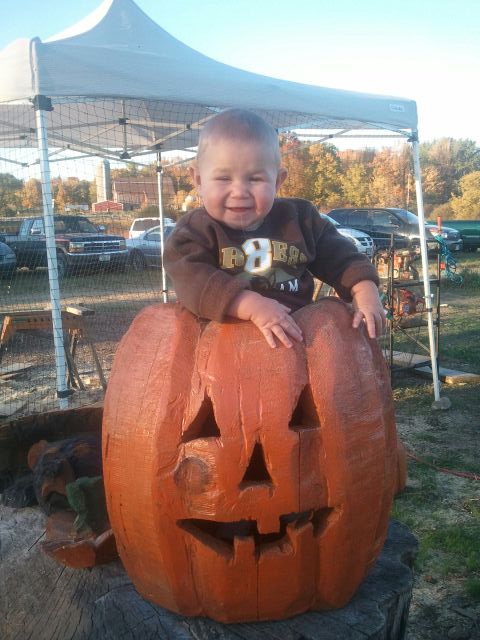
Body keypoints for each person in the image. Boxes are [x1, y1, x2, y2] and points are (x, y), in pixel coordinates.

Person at [164, 109, 385, 348]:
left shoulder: (300, 220)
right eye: (224, 179)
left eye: (255, 179)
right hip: (224, 346)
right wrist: (250, 305)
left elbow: (342, 258)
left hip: (299, 340)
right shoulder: (194, 232)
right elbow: (193, 281)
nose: (239, 192)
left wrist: (364, 290)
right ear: (198, 180)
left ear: (278, 181)